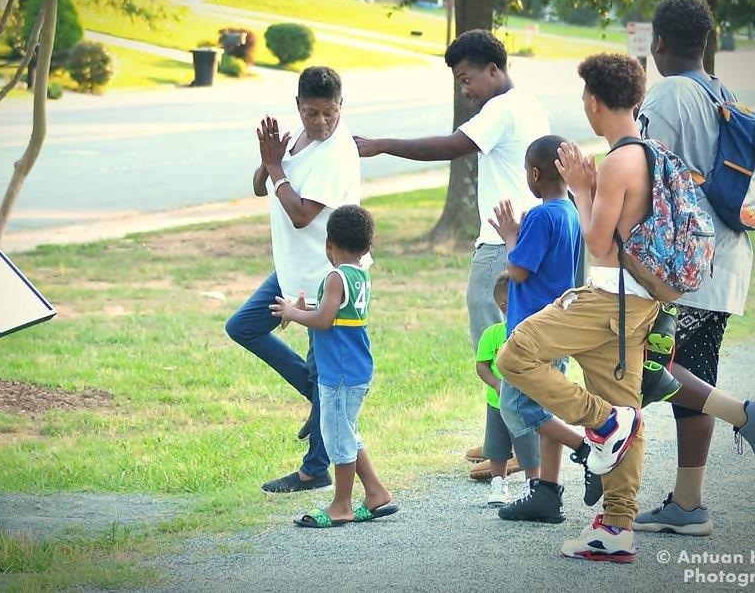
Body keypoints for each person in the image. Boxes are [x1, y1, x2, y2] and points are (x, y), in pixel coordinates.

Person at [356, 29, 550, 478]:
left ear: (494, 70)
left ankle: (524, 446)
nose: (465, 91)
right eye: (459, 83)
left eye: (467, 79)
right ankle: (501, 439)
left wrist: (383, 144)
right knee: (513, 341)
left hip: (502, 245)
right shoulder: (528, 104)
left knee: (496, 348)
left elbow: (451, 147)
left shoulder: (500, 109)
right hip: (523, 238)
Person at [496, 53, 661, 563]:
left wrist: (587, 189)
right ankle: (616, 529)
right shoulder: (650, 150)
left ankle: (602, 424)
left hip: (606, 299)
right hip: (637, 304)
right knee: (627, 405)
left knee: (514, 356)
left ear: (593, 101)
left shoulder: (619, 160)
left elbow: (599, 244)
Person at [632, 0, 755, 536]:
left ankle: (745, 414)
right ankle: (688, 504)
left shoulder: (668, 93)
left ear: (659, 44)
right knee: (688, 370)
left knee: (653, 368)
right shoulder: (721, 90)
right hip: (727, 254)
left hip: (688, 258)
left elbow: (647, 176)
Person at [225, 66, 361, 494]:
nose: (321, 122)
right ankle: (317, 396)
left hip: (328, 278)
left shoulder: (337, 151)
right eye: (311, 113)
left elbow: (302, 215)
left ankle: (314, 469)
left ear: (341, 106)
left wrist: (275, 167)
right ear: (298, 106)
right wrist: (269, 163)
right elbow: (260, 188)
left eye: (329, 112)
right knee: (242, 327)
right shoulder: (296, 140)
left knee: (326, 368)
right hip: (291, 271)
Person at [487, 135, 602, 523]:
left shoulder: (540, 215)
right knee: (547, 405)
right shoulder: (571, 211)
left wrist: (509, 235)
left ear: (534, 174)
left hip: (531, 331)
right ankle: (547, 493)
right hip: (560, 325)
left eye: (525, 171)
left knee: (517, 404)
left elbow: (518, 270)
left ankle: (588, 450)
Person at [271, 205, 398, 527]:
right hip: (355, 369)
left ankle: (341, 505)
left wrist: (293, 313)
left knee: (338, 437)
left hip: (338, 374)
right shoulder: (359, 275)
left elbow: (325, 320)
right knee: (347, 432)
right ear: (367, 247)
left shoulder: (334, 276)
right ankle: (375, 493)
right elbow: (335, 313)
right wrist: (305, 309)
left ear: (328, 244)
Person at [476, 274, 544, 507]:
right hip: (497, 403)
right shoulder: (492, 334)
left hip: (524, 403)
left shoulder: (532, 333)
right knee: (497, 447)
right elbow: (482, 366)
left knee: (528, 444)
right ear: (505, 307)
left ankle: (533, 483)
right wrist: (496, 384)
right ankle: (499, 483)